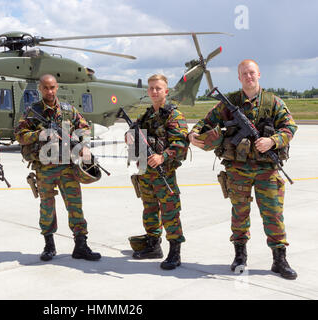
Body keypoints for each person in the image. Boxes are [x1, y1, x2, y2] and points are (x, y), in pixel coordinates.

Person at [188, 59, 298, 279]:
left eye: (252, 73)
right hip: (237, 170)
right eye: (244, 74)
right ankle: (240, 256)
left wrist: (272, 141)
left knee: (273, 214)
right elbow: (204, 122)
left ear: (259, 74)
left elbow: (290, 127)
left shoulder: (273, 102)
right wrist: (193, 134)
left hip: (267, 169)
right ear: (239, 78)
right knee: (239, 214)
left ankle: (279, 259)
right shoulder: (229, 103)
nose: (248, 77)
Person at [15, 74, 101, 262]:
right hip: (45, 168)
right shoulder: (32, 111)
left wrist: (84, 146)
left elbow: (84, 127)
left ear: (57, 87)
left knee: (75, 206)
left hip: (68, 167)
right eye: (45, 88)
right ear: (40, 88)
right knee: (47, 207)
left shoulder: (68, 110)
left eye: (52, 87)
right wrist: (40, 134)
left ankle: (81, 245)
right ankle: (49, 245)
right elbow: (20, 135)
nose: (50, 91)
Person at [125, 74, 189, 270]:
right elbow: (135, 136)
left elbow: (181, 144)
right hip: (145, 173)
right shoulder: (145, 116)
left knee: (170, 212)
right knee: (150, 210)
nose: (154, 91)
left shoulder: (173, 115)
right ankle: (153, 245)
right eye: (151, 88)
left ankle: (175, 251)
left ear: (166, 91)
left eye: (158, 88)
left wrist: (163, 157)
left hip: (164, 173)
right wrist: (128, 137)